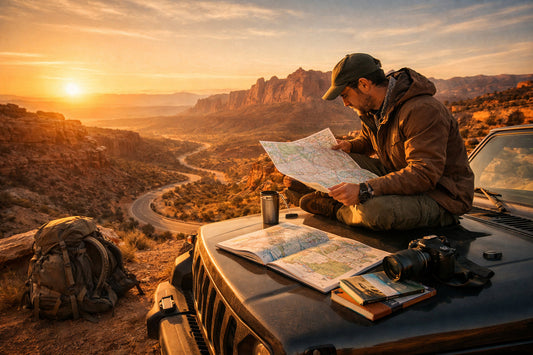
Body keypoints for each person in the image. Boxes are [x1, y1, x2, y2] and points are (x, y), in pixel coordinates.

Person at [297, 53, 474, 230]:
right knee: (332, 159)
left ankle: (336, 209)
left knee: (375, 211)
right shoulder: (371, 109)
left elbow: (423, 174)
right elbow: (368, 141)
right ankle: (339, 198)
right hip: (397, 173)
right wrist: (350, 146)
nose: (344, 103)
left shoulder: (422, 110)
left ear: (364, 84)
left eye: (345, 95)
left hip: (440, 196)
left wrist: (364, 190)